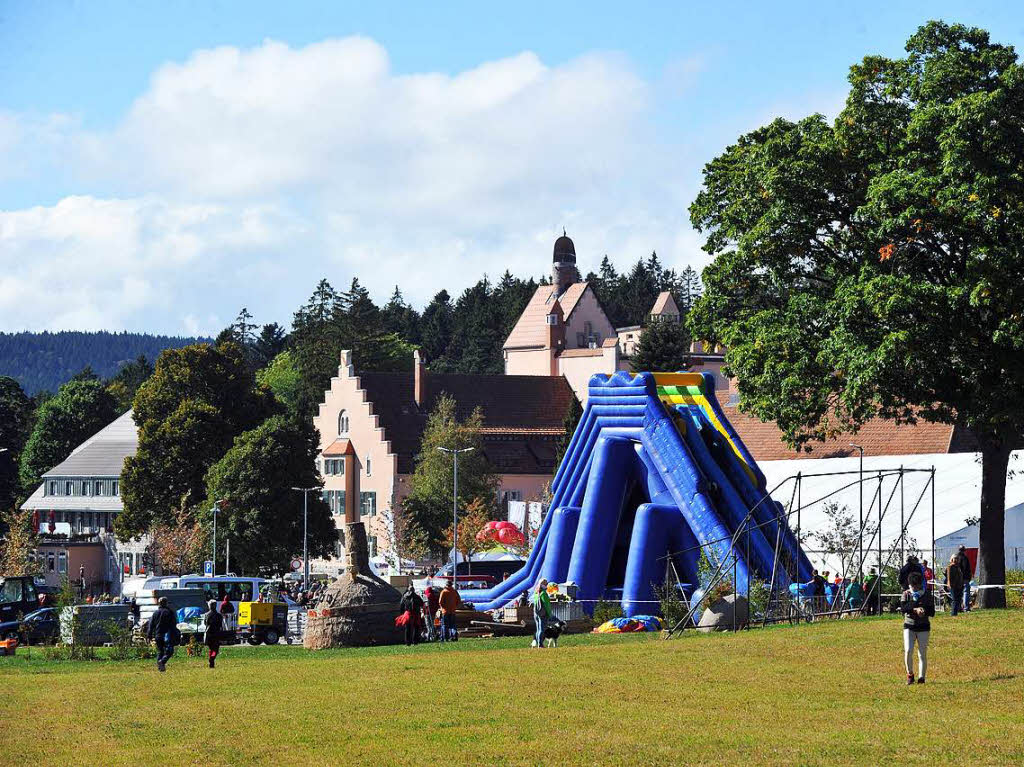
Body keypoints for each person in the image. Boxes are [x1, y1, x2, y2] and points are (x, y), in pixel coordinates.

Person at [899, 571, 935, 684]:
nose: (913, 588)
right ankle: (910, 674)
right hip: (909, 626)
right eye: (911, 585)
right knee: (908, 650)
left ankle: (921, 678)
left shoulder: (927, 594)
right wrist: (915, 608)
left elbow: (932, 612)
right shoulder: (906, 594)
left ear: (920, 584)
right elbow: (903, 608)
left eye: (916, 585)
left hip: (923, 627)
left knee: (922, 653)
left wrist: (924, 611)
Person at [148, 597, 177, 672]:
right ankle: (162, 662)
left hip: (158, 635)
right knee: (170, 651)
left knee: (160, 651)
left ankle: (160, 667)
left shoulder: (155, 613)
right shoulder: (169, 612)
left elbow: (151, 625)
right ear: (166, 603)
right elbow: (173, 624)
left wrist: (149, 635)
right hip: (166, 634)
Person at [531, 579, 552, 648]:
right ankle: (540, 644)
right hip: (543, 614)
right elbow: (547, 605)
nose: (546, 585)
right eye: (546, 584)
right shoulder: (543, 594)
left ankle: (537, 643)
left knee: (538, 629)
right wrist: (549, 614)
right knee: (541, 629)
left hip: (536, 613)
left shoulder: (536, 593)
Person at [203, 600, 224, 668]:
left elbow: (205, 623)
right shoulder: (219, 616)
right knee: (215, 649)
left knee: (211, 649)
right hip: (216, 634)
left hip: (209, 634)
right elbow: (220, 625)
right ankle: (212, 658)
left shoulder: (206, 615)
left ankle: (211, 661)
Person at [955, 546, 973, 612]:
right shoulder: (964, 558)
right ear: (964, 550)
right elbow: (966, 568)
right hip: (964, 578)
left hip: (957, 579)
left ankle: (958, 607)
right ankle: (966, 607)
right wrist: (968, 576)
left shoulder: (955, 558)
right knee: (965, 592)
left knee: (958, 593)